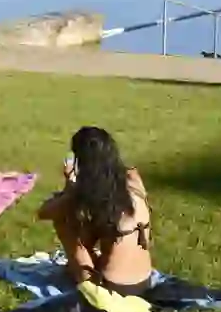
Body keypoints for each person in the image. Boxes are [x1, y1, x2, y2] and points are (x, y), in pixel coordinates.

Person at [37, 126, 153, 296]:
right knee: (95, 228)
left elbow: (44, 212)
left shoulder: (87, 192)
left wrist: (70, 186)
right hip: (144, 282)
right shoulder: (132, 178)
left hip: (110, 290)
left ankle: (83, 276)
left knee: (64, 223)